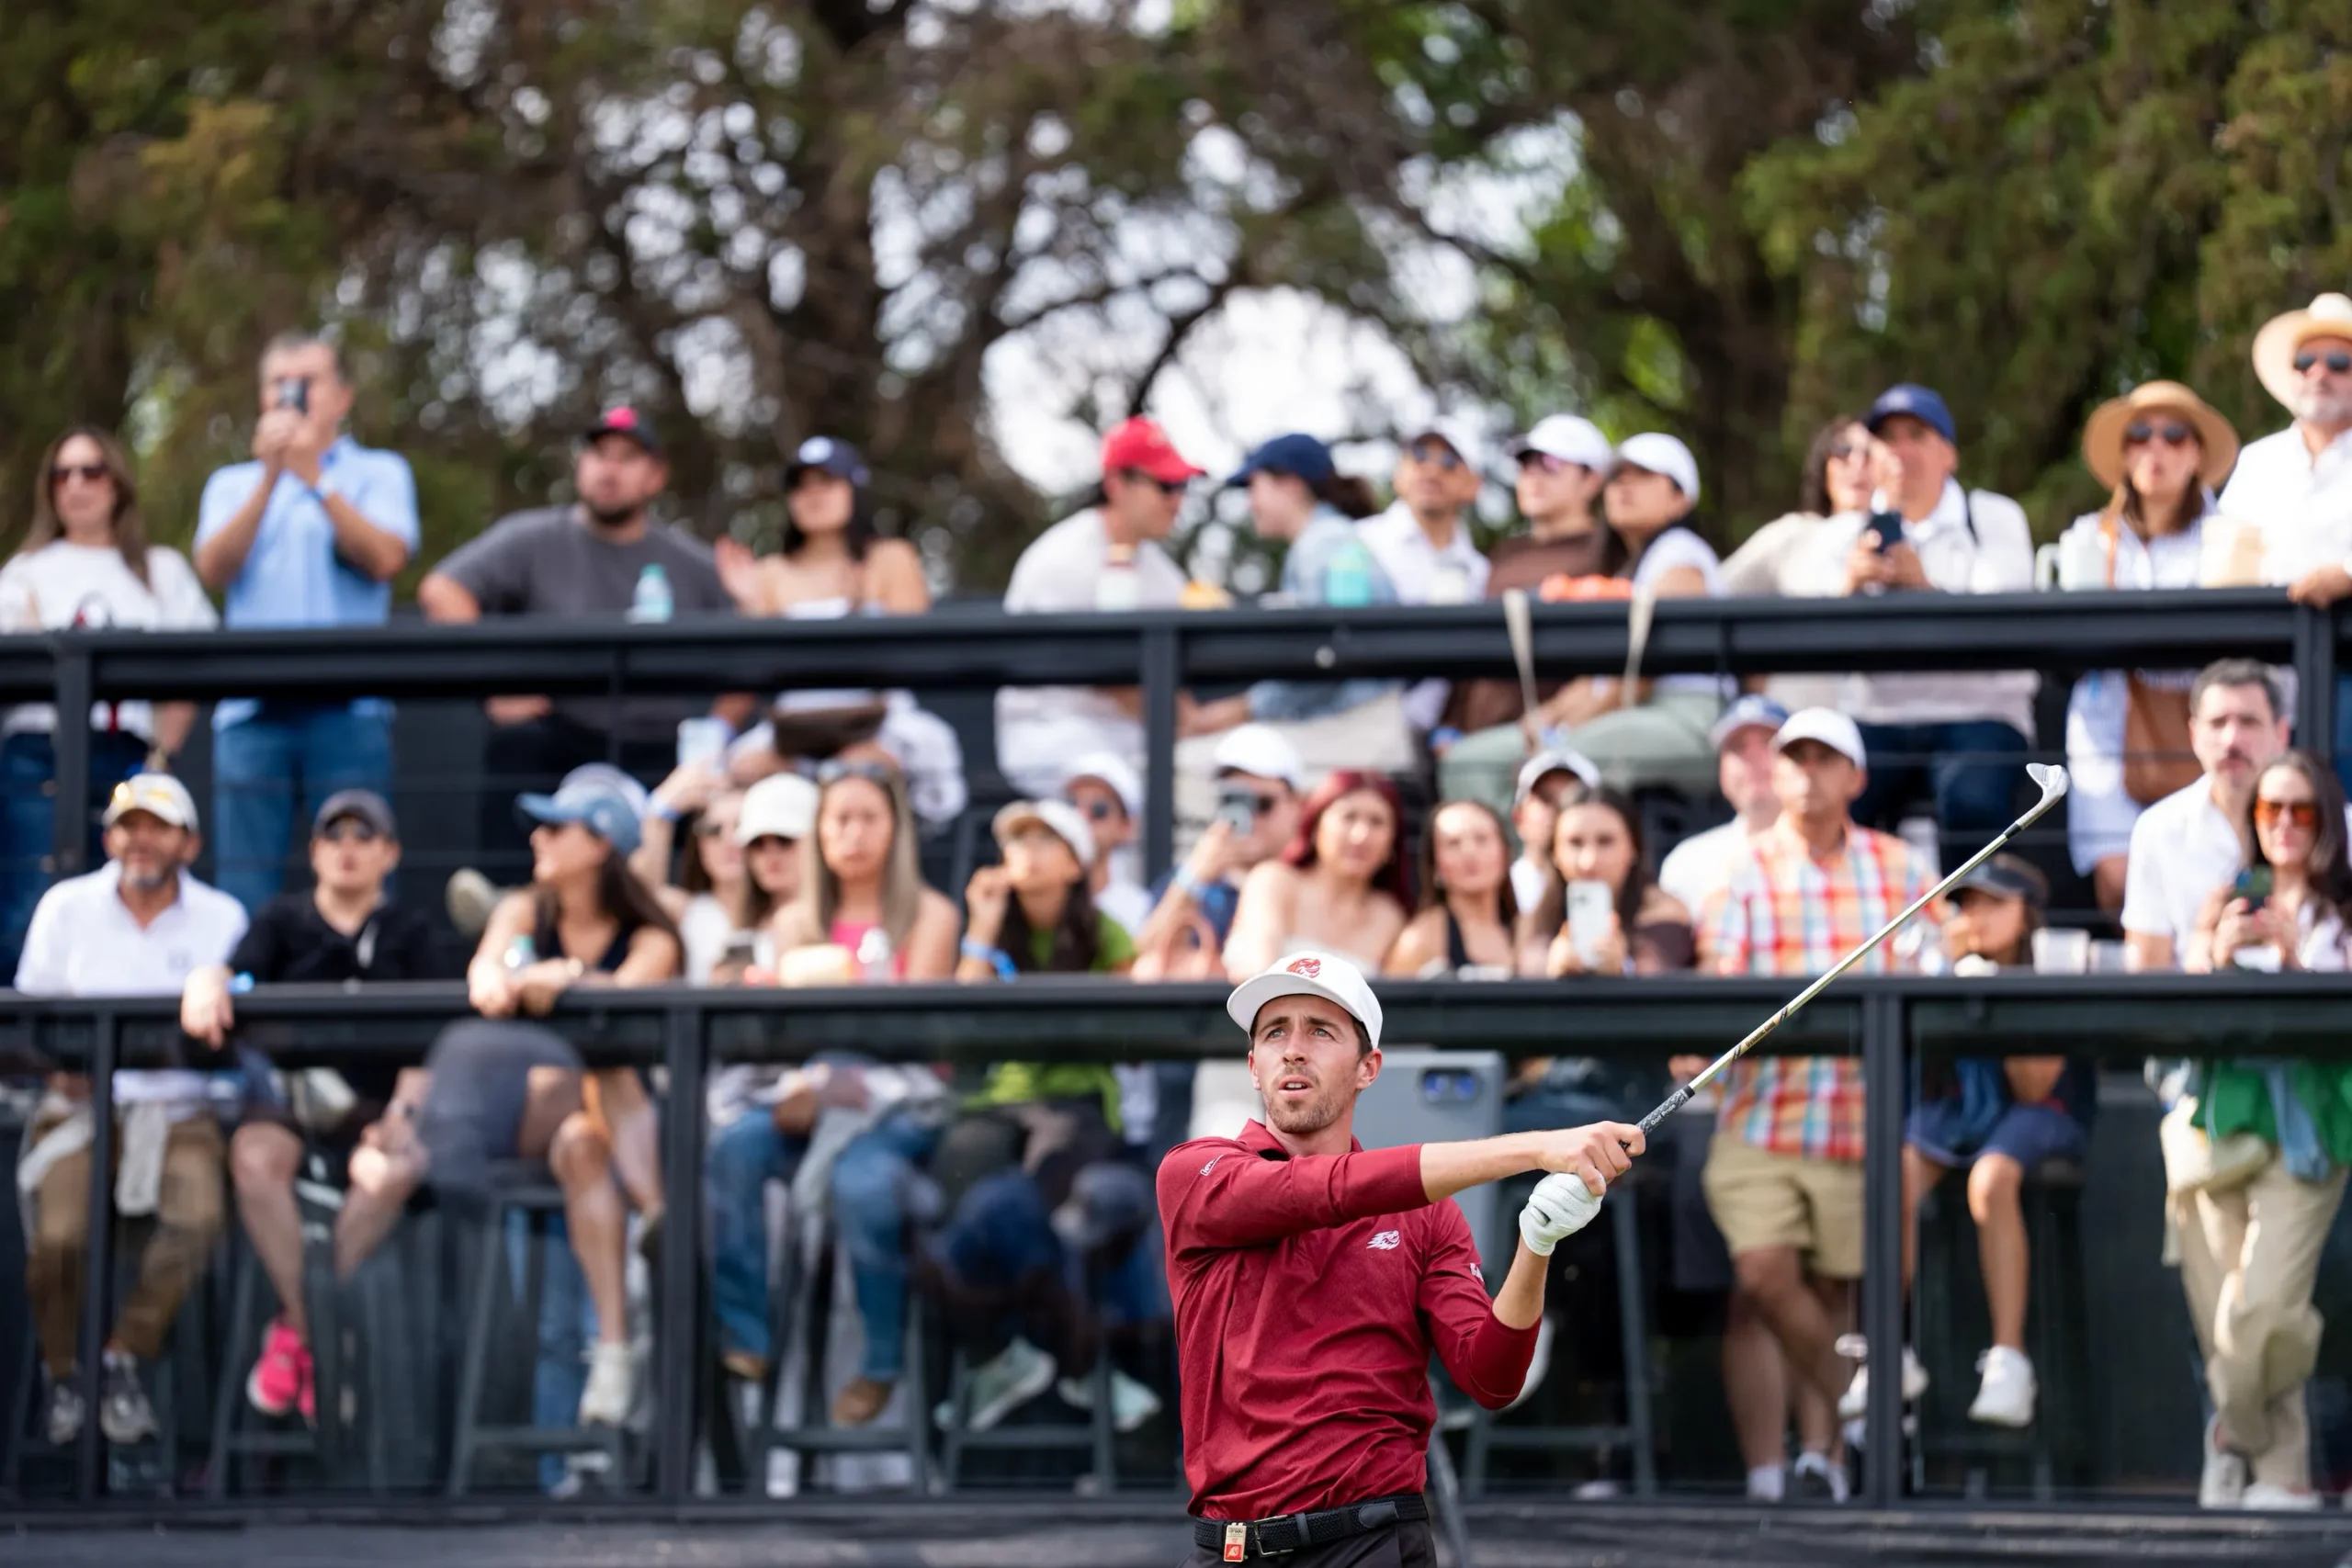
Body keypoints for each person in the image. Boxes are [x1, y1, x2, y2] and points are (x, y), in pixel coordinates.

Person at [1160, 952, 1639, 1563]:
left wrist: (1535, 1245)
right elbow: (1325, 1190)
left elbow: (1490, 1378)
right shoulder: (1194, 1174)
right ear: (1254, 1066)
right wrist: (1537, 1146)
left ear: (1368, 1068)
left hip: (1376, 1538)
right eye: (1275, 1031)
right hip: (1230, 1546)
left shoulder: (1426, 1214)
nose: (1294, 1049)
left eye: (1321, 1030)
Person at [1704, 709, 1936, 1499]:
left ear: (1855, 777)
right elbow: (1718, 990)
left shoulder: (1903, 867)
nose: (1805, 771)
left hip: (1862, 1116)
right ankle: (1864, 1409)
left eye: (1823, 757)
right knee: (1763, 1274)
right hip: (1760, 1115)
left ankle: (1820, 1464)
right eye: (1793, 757)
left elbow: (1933, 972)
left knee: (1835, 1298)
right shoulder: (1742, 869)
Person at [413, 776, 683, 1427]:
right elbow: (489, 975)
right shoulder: (525, 911)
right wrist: (533, 975)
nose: (538, 837)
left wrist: (562, 980)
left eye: (557, 827)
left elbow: (622, 998)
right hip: (515, 1118)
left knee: (586, 1127)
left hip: (597, 1135)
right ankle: (655, 1212)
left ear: (600, 845)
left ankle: (614, 1350)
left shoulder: (652, 935)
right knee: (594, 1076)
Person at [178, 790, 455, 1424]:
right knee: (252, 1157)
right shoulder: (280, 919)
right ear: (314, 853)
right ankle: (316, 1332)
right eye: (335, 836)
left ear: (391, 853)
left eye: (365, 836)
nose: (348, 848)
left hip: (377, 1111)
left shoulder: (412, 931)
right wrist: (206, 981)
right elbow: (231, 976)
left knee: (390, 1172)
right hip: (291, 1105)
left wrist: (403, 1115)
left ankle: (299, 1332)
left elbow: (434, 1038)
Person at [417, 406, 750, 886]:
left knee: (714, 788)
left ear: (655, 477)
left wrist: (717, 731)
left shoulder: (689, 561)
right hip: (559, 735)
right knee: (518, 748)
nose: (608, 469)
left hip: (658, 748)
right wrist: (496, 686)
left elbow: (753, 645)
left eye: (627, 457)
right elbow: (442, 589)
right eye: (598, 454)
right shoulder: (531, 538)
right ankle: (506, 904)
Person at [15, 774, 247, 1447]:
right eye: (127, 825)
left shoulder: (223, 917)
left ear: (190, 842)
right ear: (109, 836)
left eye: (156, 826)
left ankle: (123, 1358)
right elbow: (32, 1025)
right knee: (56, 1237)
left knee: (199, 1215)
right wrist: (64, 1070)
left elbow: (235, 1039)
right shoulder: (65, 906)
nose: (139, 839)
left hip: (181, 1115)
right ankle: (65, 1378)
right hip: (83, 1113)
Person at [936, 798, 1157, 1431]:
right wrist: (980, 923)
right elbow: (962, 1029)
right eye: (1017, 840)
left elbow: (1133, 1032)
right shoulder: (993, 926)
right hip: (1005, 1105)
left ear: (1075, 863)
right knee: (963, 1169)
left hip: (1079, 1104)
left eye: (1044, 840)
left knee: (1041, 1198)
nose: (1026, 853)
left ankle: (1052, 1355)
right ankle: (1061, 1359)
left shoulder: (1105, 929)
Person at [2168, 750, 2352, 1510]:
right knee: (2225, 1320)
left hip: (2310, 1129)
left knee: (2264, 1310)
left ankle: (2229, 1436)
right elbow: (2169, 1017)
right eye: (2269, 810)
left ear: (2326, 821)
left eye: (2300, 810)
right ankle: (2281, 1472)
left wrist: (2291, 962)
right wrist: (2212, 958)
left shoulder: (2343, 908)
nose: (2282, 824)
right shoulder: (2225, 899)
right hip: (2219, 1123)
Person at [194, 333, 417, 912]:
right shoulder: (231, 483)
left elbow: (387, 558)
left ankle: (362, 993)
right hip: (251, 713)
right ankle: (244, 997)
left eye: (307, 382)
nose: (292, 396)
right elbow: (214, 567)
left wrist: (314, 476)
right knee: (245, 884)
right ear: (262, 397)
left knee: (360, 874)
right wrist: (272, 477)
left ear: (341, 397)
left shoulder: (379, 472)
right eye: (278, 383)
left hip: (349, 710)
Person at [1781, 385, 2037, 852]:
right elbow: (1796, 624)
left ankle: (1975, 921)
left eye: (1915, 435)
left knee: (1972, 799)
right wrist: (1848, 587)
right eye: (1886, 438)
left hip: (1980, 714)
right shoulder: (1841, 535)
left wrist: (1924, 586)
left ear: (1949, 455)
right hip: (1876, 718)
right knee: (1823, 803)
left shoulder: (1994, 518)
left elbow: (2006, 611)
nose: (1898, 451)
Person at [1884, 856, 2091, 1432]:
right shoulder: (1944, 965)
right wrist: (1944, 978)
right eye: (1968, 903)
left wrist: (1993, 997)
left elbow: (2036, 1085)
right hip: (1960, 1114)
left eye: (1993, 903)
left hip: (2042, 1113)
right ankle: (1887, 1350)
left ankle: (2009, 1360)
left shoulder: (2054, 966)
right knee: (1892, 1173)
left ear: (2026, 914)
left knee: (1990, 1180)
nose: (1975, 916)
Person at [0, 427, 215, 973]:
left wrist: (162, 759)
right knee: (30, 900)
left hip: (127, 757)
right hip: (36, 756)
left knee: (123, 899)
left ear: (117, 484)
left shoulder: (159, 570)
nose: (76, 485)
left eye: (91, 471)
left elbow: (193, 666)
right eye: (61, 473)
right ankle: (29, 1054)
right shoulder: (23, 572)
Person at [1444, 433, 1724, 813]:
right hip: (1635, 715)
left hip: (1685, 716)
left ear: (1681, 499)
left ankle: (1548, 867)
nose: (1624, 486)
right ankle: (1512, 868)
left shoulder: (1681, 553)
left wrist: (1562, 730)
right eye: (1617, 477)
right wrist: (1551, 715)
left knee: (1555, 768)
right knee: (1468, 762)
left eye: (1643, 476)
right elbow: (1606, 680)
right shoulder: (1634, 567)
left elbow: (1643, 672)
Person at [2055, 383, 2238, 913]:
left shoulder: (2230, 535)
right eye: (2139, 435)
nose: (2154, 448)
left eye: (2174, 435)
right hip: (2106, 728)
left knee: (2211, 878)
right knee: (2118, 882)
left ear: (2197, 453)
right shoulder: (2091, 536)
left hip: (2207, 728)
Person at [716, 436, 964, 822]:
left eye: (827, 482)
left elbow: (914, 656)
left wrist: (860, 604)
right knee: (746, 768)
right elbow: (751, 676)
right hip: (794, 729)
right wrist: (751, 610)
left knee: (864, 767)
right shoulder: (769, 573)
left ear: (854, 489)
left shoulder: (890, 558)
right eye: (801, 486)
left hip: (878, 719)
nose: (813, 495)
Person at [1179, 434, 1413, 782]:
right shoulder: (1323, 540)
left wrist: (1233, 711)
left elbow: (1336, 655)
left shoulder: (1325, 543)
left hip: (1355, 731)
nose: (1250, 502)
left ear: (1290, 484)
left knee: (1180, 768)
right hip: (1348, 726)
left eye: (1253, 487)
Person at [994, 417, 1203, 798]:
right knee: (1111, 788)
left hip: (1131, 737)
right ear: (1117, 484)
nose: (1177, 500)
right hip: (1051, 732)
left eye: (1182, 485)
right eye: (1165, 485)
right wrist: (1184, 719)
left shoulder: (1163, 572)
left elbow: (1176, 691)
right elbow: (1104, 674)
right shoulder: (1062, 557)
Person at [2219, 293, 2352, 784]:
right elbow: (2223, 560)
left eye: (2339, 362)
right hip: (2263, 670)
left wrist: (2347, 575)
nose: (2320, 372)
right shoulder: (2259, 460)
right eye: (2306, 360)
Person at [1438, 415, 1617, 753]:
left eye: (1549, 464)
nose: (1532, 476)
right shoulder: (1502, 555)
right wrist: (1449, 724)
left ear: (1592, 480)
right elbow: (1468, 644)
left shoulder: (1609, 552)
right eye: (1525, 465)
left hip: (1554, 742)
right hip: (1473, 741)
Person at [2121, 661, 2294, 971]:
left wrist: (2295, 957)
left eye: (2248, 722)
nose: (2231, 740)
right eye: (2217, 723)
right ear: (2194, 735)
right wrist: (2206, 950)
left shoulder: (2339, 825)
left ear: (2281, 733)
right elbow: (2147, 978)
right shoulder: (2157, 830)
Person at [1720, 414, 1876, 715]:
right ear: (1824, 465)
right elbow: (1715, 589)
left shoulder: (1914, 537)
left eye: (1869, 454)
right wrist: (1757, 658)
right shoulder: (1794, 533)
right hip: (1794, 720)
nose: (1857, 464)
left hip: (1883, 725)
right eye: (1843, 451)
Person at [1131, 724, 1306, 982]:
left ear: (1297, 805)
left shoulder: (1314, 878)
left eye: (1263, 804)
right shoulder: (1186, 879)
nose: (1250, 818)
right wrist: (1194, 879)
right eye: (1233, 801)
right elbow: (1144, 963)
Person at [1360, 420, 1493, 737]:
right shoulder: (1358, 544)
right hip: (1355, 722)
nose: (1431, 471)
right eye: (1419, 456)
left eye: (1449, 462)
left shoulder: (1481, 572)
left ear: (1474, 484)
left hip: (1434, 740)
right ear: (1398, 473)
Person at [1221, 769, 1411, 982]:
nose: (1361, 836)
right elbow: (1261, 979)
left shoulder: (1389, 916)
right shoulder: (1274, 882)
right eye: (1349, 817)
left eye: (1376, 822)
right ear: (1315, 826)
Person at [1520, 779, 1696, 977]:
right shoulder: (1535, 918)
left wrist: (1625, 968)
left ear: (1633, 848)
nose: (1589, 862)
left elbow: (1663, 976)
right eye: (1575, 843)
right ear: (1555, 852)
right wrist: (1550, 969)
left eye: (1605, 842)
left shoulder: (1666, 913)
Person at [1657, 695, 1790, 936]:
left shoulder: (1838, 856)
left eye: (1769, 743)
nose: (1754, 759)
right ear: (1721, 770)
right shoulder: (1686, 863)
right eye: (1738, 748)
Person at [1384, 799, 1518, 977]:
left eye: (1481, 839)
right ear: (1435, 867)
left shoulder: (1528, 928)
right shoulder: (1421, 939)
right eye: (1453, 843)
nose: (1469, 852)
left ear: (1505, 853)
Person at [1060, 751, 1154, 937]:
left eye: (1098, 809)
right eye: (1071, 805)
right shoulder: (1027, 899)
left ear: (1127, 827)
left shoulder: (1141, 910)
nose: (1080, 817)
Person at [1507, 749, 1600, 915]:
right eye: (1545, 798)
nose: (1558, 809)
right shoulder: (1499, 894)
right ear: (1518, 817)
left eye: (1574, 797)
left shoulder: (1616, 894)